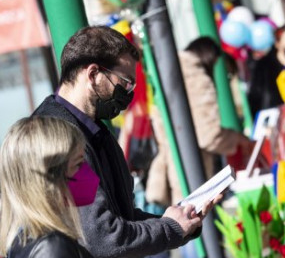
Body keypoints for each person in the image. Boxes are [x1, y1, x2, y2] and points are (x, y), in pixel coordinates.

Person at [33, 26, 218, 258]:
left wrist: (179, 221)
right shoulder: (61, 140)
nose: (128, 94)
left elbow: (121, 217)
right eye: (125, 83)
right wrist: (170, 228)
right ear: (92, 75)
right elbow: (103, 238)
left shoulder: (93, 130)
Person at [145, 38, 252, 209]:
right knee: (194, 223)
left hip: (172, 165)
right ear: (209, 57)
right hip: (193, 167)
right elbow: (209, 136)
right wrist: (236, 138)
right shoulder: (198, 79)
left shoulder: (169, 71)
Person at [0, 116, 95, 258]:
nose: (87, 172)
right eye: (78, 164)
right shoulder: (53, 246)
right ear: (48, 176)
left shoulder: (23, 238)